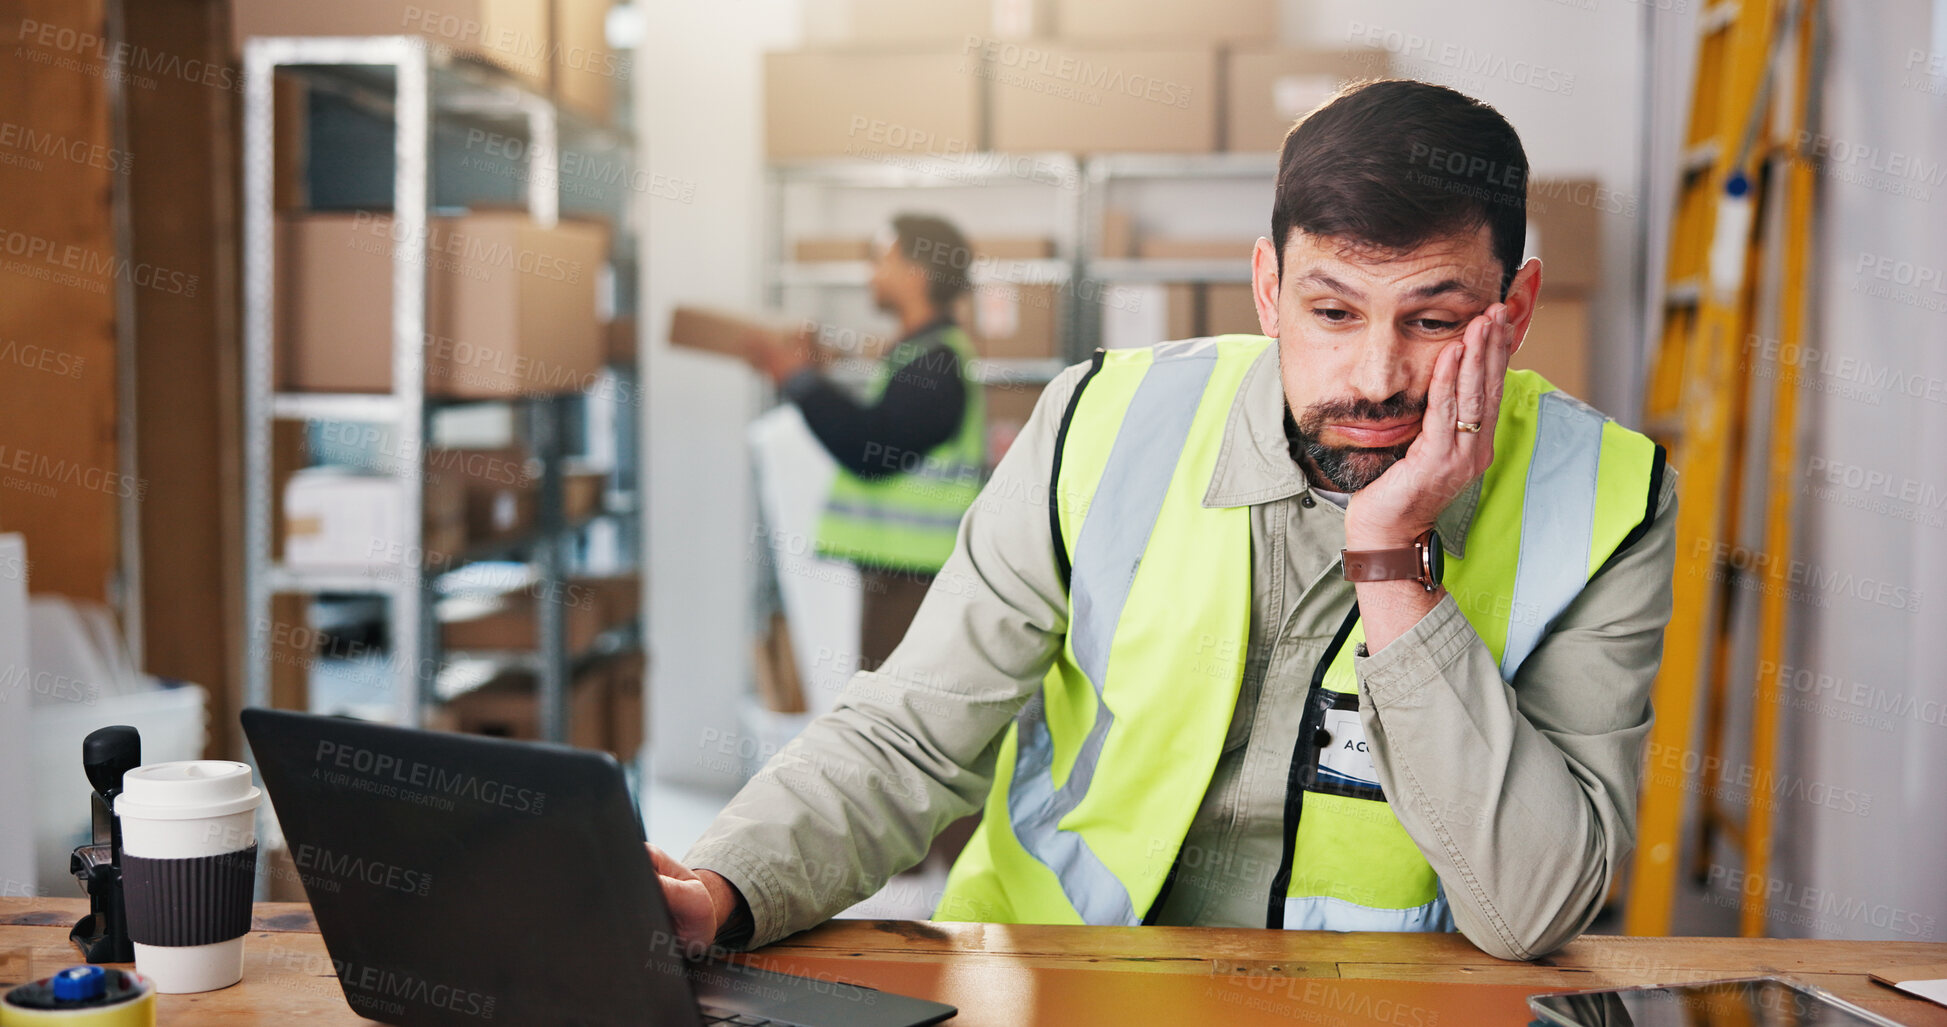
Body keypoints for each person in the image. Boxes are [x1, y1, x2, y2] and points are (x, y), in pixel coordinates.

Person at [662, 79, 1677, 963]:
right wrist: (723, 886)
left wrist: (1393, 563)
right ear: (1268, 290)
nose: (1375, 376)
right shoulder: (1101, 422)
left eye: (1434, 320)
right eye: (1332, 312)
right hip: (1051, 980)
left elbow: (1534, 906)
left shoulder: (1610, 501)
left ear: (1515, 308)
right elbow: (909, 737)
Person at [746, 214, 986, 673]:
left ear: (917, 273)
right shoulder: (920, 353)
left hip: (916, 578)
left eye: (881, 261)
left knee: (891, 710)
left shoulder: (935, 363)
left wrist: (799, 381)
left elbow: (871, 448)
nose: (870, 275)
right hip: (904, 572)